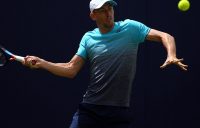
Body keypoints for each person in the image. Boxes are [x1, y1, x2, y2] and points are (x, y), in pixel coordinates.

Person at [23, 0, 188, 127]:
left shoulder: (131, 28)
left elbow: (165, 36)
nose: (108, 13)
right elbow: (71, 69)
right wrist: (43, 63)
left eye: (110, 8)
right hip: (90, 110)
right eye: (102, 10)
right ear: (93, 15)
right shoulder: (88, 38)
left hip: (119, 112)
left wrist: (171, 55)